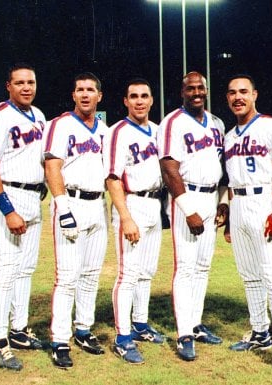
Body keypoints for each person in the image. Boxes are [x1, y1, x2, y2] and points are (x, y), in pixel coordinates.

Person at [224, 75, 272, 374]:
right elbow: (230, 181)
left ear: (255, 94)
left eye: (243, 92)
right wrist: (229, 218)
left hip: (265, 200)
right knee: (249, 275)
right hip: (239, 204)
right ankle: (260, 332)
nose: (237, 97)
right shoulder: (229, 136)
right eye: (232, 93)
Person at [0, 63, 47, 371]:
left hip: (33, 195)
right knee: (6, 271)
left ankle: (18, 330)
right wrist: (7, 209)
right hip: (10, 195)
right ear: (8, 86)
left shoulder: (40, 116)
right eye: (19, 82)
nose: (26, 87)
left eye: (30, 82)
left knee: (26, 269)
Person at [156, 71, 228, 361]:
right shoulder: (172, 122)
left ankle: (195, 324)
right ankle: (184, 332)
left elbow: (224, 167)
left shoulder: (217, 123)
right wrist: (188, 209)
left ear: (207, 90)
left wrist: (223, 201)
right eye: (190, 89)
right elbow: (169, 169)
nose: (196, 92)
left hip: (211, 196)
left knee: (202, 265)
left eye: (201, 88)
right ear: (182, 92)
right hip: (187, 197)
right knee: (185, 267)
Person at [43, 72, 109, 368]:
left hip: (98, 204)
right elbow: (52, 166)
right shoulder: (60, 124)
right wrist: (62, 206)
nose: (85, 94)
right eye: (79, 89)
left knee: (91, 274)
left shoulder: (105, 130)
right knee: (67, 276)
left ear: (99, 96)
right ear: (73, 95)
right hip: (70, 201)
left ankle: (83, 329)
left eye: (90, 90)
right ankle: (60, 339)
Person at [103, 78, 166, 365]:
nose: (139, 101)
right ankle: (122, 336)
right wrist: (126, 217)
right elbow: (113, 178)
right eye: (133, 97)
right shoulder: (118, 131)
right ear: (125, 101)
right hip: (132, 204)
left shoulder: (158, 131)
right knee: (128, 274)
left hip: (154, 204)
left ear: (152, 100)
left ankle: (140, 324)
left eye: (144, 96)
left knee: (147, 271)